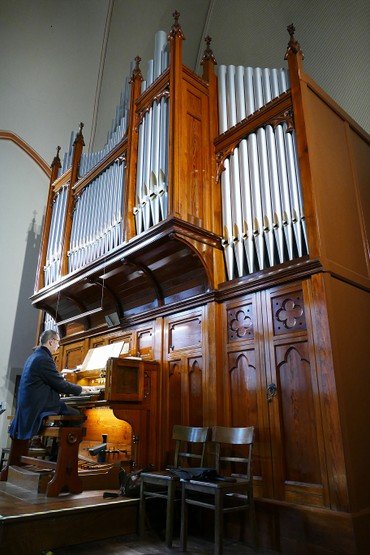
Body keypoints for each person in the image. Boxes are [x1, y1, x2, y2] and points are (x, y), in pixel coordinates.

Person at [9, 330, 84, 440]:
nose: (58, 346)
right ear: (51, 341)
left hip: (29, 405)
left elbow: (54, 382)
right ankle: (66, 455)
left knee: (67, 414)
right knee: (77, 416)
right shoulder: (43, 359)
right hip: (39, 405)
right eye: (58, 342)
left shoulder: (33, 357)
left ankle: (56, 452)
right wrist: (81, 389)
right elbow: (60, 384)